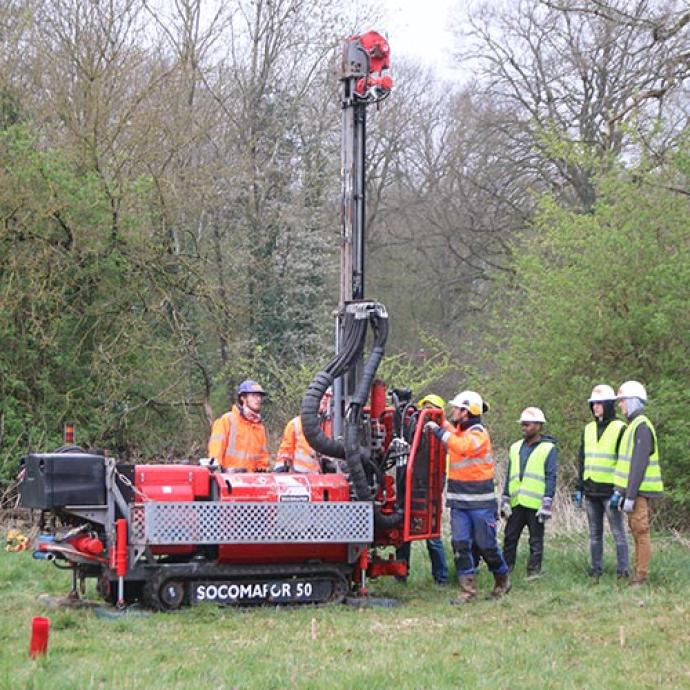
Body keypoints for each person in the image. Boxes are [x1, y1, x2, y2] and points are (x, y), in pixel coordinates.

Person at [425, 391, 510, 603]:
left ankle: (502, 580)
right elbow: (454, 434)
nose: (453, 411)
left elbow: (462, 446)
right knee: (460, 545)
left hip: (480, 503)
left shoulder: (478, 434)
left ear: (467, 412)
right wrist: (440, 421)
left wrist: (438, 431)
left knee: (486, 545)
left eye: (456, 409)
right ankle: (467, 591)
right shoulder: (462, 432)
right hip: (459, 502)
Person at [610, 380, 663, 586]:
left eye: (622, 400)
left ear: (632, 401)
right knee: (636, 531)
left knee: (641, 532)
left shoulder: (641, 426)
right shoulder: (634, 426)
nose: (620, 405)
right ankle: (637, 573)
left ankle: (640, 577)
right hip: (633, 492)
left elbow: (638, 465)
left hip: (639, 492)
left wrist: (630, 496)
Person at [575, 384, 629, 579]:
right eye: (593, 403)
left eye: (599, 403)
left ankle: (623, 571)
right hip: (591, 490)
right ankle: (596, 569)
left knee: (618, 533)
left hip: (610, 491)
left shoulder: (620, 428)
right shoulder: (588, 429)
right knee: (594, 534)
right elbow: (582, 459)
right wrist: (579, 487)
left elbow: (625, 462)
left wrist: (620, 490)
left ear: (608, 404)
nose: (595, 407)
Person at [395, 394, 449, 586]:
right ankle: (400, 573)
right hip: (411, 486)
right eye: (424, 407)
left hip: (431, 489)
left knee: (432, 536)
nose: (426, 413)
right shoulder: (412, 429)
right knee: (403, 532)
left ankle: (441, 578)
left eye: (431, 408)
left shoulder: (444, 432)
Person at [501, 407, 557, 579]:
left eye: (527, 424)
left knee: (536, 540)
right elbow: (510, 474)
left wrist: (547, 502)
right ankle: (505, 571)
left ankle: (533, 572)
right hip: (517, 502)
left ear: (538, 426)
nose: (523, 427)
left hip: (535, 504)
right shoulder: (515, 447)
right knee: (510, 538)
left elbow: (550, 476)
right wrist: (505, 498)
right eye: (522, 424)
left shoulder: (548, 448)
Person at [207, 379, 269, 472]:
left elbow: (262, 458)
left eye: (260, 396)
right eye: (254, 395)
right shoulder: (227, 421)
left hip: (251, 481)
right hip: (229, 480)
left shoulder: (259, 428)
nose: (258, 399)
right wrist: (216, 472)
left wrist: (263, 471)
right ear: (243, 398)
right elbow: (215, 452)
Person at [275, 389, 333, 473]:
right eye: (322, 395)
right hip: (300, 479)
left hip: (322, 479)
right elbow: (285, 452)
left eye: (327, 396)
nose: (324, 398)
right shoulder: (295, 424)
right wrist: (280, 470)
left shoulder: (332, 426)